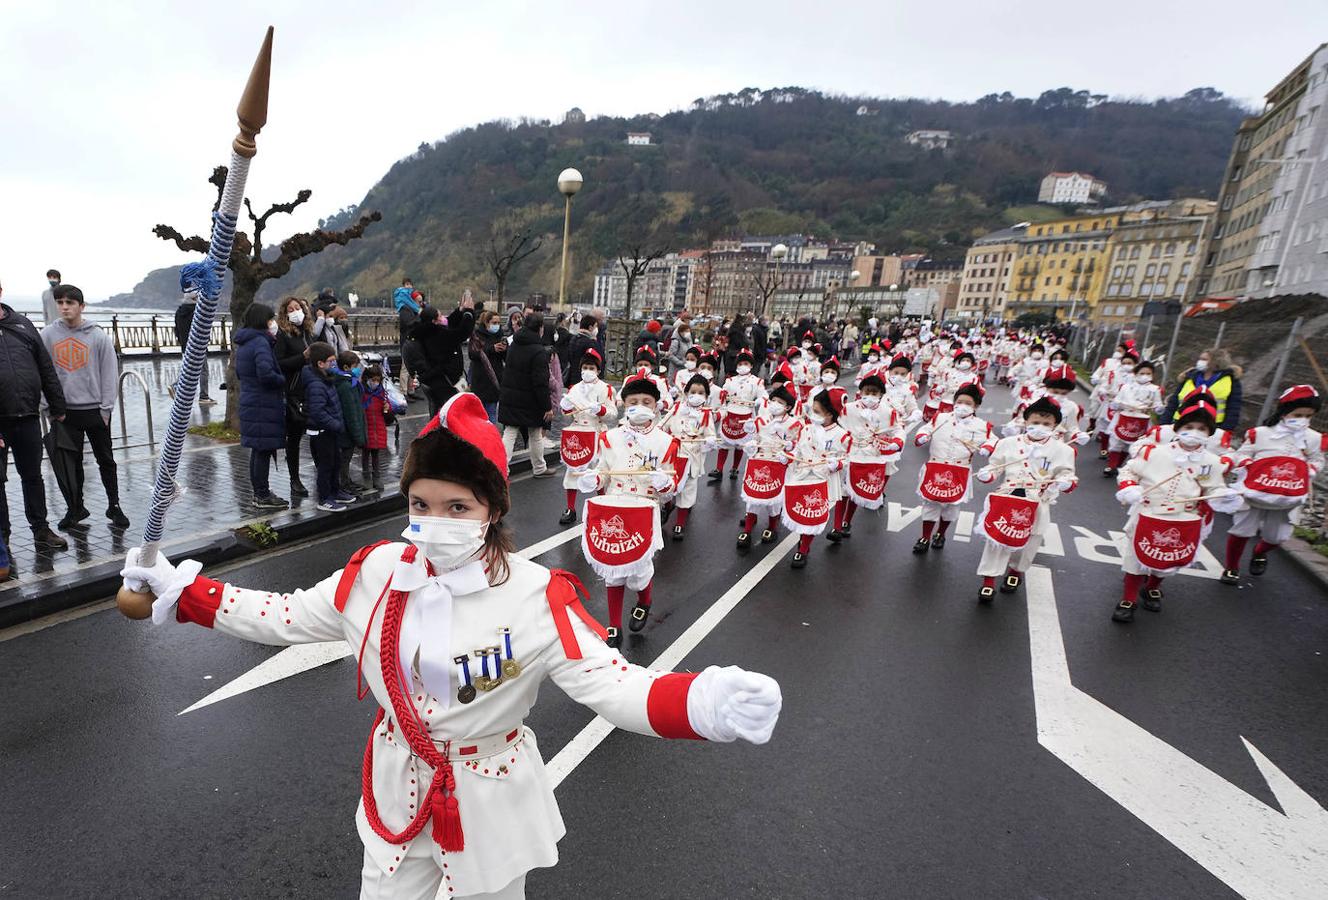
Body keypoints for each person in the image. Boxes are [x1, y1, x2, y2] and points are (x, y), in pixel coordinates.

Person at [119, 390, 781, 900]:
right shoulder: (377, 572)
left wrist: (700, 702)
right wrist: (188, 594)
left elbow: (617, 687)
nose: (435, 523)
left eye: (457, 507)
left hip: (489, 793)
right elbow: (288, 616)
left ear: (492, 509)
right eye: (421, 503)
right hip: (395, 780)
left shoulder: (534, 594)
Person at [577, 377, 682, 646]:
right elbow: (604, 473)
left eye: (646, 402)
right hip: (615, 506)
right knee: (613, 570)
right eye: (633, 402)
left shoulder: (666, 442)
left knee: (639, 569)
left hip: (644, 510)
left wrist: (664, 482)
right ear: (624, 405)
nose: (639, 406)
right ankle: (613, 625)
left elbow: (672, 484)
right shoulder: (609, 439)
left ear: (656, 406)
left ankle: (644, 600)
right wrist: (594, 480)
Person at [1111, 398, 1236, 622]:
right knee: (1135, 557)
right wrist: (1130, 488)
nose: (1194, 432)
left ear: (1209, 433)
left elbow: (1214, 487)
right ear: (1178, 428)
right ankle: (1128, 598)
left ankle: (1152, 586)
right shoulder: (1153, 452)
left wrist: (1225, 496)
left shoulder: (1212, 461)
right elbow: (1129, 472)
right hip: (1149, 511)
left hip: (1185, 517)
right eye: (1189, 427)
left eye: (1201, 429)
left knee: (1168, 558)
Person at [38, 285, 129, 530]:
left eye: (70, 302)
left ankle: (114, 506)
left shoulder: (97, 336)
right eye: (60, 302)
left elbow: (109, 373)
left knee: (106, 460)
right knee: (71, 463)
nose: (64, 307)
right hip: (64, 412)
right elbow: (43, 374)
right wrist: (47, 407)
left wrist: (106, 408)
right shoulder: (47, 335)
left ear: (81, 306)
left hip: (95, 410)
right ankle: (76, 508)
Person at [973, 397, 1077, 602]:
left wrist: (1065, 482)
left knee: (1031, 540)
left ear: (1055, 425)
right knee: (997, 538)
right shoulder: (1007, 443)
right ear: (1026, 421)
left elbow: (1068, 474)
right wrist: (987, 474)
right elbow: (995, 466)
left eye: (1046, 424)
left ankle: (1015, 572)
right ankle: (989, 580)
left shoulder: (1063, 450)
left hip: (1037, 500)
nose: (1040, 427)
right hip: (1008, 495)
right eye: (1035, 422)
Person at [1220, 385, 1326, 585]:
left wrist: (1310, 469)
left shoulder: (1313, 438)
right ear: (1284, 412)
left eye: (1308, 415)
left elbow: (1318, 459)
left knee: (1277, 537)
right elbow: (1242, 453)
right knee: (1241, 530)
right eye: (1298, 414)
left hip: (1289, 495)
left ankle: (1259, 552)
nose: (1302, 419)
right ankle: (1231, 567)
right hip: (1256, 490)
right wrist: (1247, 464)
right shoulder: (1260, 433)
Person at [0, 278, 69, 551]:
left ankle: (41, 529)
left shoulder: (22, 324)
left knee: (33, 476)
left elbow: (45, 366)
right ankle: (2, 537)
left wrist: (57, 405)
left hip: (28, 415)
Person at [912, 383, 993, 554]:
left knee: (951, 508)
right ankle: (925, 537)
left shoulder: (982, 426)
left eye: (968, 403)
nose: (962, 406)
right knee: (930, 505)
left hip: (959, 471)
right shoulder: (940, 418)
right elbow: (924, 430)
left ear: (976, 406)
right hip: (935, 467)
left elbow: (992, 441)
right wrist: (922, 437)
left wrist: (988, 448)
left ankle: (941, 534)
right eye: (960, 401)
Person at [784, 390, 851, 569]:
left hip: (823, 479)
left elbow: (848, 458)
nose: (812, 415)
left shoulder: (841, 435)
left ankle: (804, 549)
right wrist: (788, 456)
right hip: (801, 475)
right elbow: (797, 449)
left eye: (817, 412)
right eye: (812, 410)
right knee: (801, 512)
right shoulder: (806, 428)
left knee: (813, 516)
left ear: (830, 414)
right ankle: (803, 539)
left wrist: (836, 464)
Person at [233, 303, 289, 510]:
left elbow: (241, 373)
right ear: (262, 321)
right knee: (263, 451)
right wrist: (281, 379)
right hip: (262, 403)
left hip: (251, 400)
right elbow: (266, 374)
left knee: (258, 451)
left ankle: (260, 492)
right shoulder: (260, 342)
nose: (273, 323)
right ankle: (262, 495)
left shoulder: (245, 342)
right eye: (270, 319)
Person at [833, 375, 904, 539]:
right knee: (842, 491)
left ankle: (846, 521)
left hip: (871, 457)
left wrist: (897, 442)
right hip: (849, 455)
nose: (870, 396)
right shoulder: (848, 408)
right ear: (861, 391)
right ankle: (836, 527)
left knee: (856, 493)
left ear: (881, 394)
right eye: (867, 391)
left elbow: (897, 430)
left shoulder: (888, 412)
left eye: (874, 392)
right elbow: (837, 426)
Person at [557, 349, 617, 525]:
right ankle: (570, 508)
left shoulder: (606, 389)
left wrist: (600, 409)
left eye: (591, 367)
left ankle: (602, 504)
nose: (587, 371)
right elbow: (567, 412)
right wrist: (566, 406)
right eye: (585, 367)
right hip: (577, 433)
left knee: (597, 471)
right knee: (573, 470)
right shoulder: (574, 388)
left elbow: (612, 413)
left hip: (596, 432)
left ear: (598, 370)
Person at [736, 385, 801, 548]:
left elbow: (799, 446)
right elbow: (755, 439)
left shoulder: (794, 424)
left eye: (779, 402)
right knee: (753, 498)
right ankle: (748, 528)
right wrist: (751, 445)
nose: (774, 404)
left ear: (787, 407)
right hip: (758, 461)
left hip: (778, 463)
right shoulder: (760, 420)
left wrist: (789, 449)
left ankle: (772, 526)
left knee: (774, 500)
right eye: (773, 400)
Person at [498, 312, 555, 478]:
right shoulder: (538, 351)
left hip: (510, 395)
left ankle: (501, 469)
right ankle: (539, 468)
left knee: (509, 433)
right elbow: (540, 383)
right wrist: (547, 406)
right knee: (535, 434)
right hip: (530, 399)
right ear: (540, 328)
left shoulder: (515, 343)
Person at [661, 374, 717, 540]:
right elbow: (662, 425)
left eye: (701, 393)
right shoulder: (677, 408)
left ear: (706, 396)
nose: (696, 396)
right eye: (693, 391)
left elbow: (711, 435)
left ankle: (680, 523)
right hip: (674, 454)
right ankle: (668, 506)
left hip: (692, 456)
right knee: (669, 486)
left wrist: (710, 441)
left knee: (688, 490)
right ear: (686, 392)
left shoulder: (706, 415)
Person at [274, 297, 314, 499]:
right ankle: (294, 478)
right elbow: (279, 363)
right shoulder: (284, 335)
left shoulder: (308, 332)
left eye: (298, 307)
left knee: (317, 433)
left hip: (312, 388)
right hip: (294, 391)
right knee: (294, 438)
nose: (295, 311)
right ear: (285, 313)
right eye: (291, 309)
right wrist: (302, 357)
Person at [303, 341, 350, 512]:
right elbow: (318, 412)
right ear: (320, 364)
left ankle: (335, 491)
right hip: (321, 432)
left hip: (330, 431)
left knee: (335, 463)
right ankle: (324, 498)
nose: (333, 365)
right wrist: (336, 424)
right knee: (325, 466)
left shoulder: (325, 379)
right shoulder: (316, 384)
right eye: (330, 362)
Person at [414, 296, 477, 416]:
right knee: (448, 413)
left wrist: (460, 310)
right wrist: (469, 313)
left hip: (436, 379)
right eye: (440, 316)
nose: (443, 318)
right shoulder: (437, 335)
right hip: (444, 381)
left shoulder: (427, 331)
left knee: (438, 411)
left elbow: (450, 323)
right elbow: (461, 333)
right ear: (434, 321)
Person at [712, 349, 766, 481]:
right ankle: (719, 469)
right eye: (740, 363)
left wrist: (758, 401)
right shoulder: (730, 380)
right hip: (730, 412)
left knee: (740, 444)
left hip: (746, 414)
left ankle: (735, 468)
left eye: (746, 363)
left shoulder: (757, 382)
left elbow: (764, 396)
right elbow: (722, 395)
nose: (743, 366)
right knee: (724, 443)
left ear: (751, 365)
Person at [1163, 348, 1243, 436]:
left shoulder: (1230, 380)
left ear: (1216, 362)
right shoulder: (1189, 377)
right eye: (1200, 359)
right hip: (1181, 422)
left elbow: (1234, 408)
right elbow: (1173, 402)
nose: (1200, 362)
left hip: (1212, 426)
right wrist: (1164, 424)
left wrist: (1226, 431)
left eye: (1204, 359)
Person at [1104, 358, 1164, 476]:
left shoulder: (1155, 389)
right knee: (1116, 441)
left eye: (1148, 373)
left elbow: (1158, 405)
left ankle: (1119, 465)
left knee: (1133, 444)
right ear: (1136, 374)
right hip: (1124, 417)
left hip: (1142, 420)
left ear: (1152, 375)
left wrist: (1159, 408)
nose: (1145, 376)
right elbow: (1117, 401)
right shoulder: (1126, 387)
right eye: (1142, 373)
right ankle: (1111, 466)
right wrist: (1116, 404)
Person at [334, 350, 369, 494]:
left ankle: (347, 480)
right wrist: (359, 436)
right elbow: (351, 413)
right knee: (345, 458)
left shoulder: (350, 382)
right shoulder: (346, 386)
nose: (358, 369)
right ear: (347, 367)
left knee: (346, 458)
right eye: (355, 366)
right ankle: (344, 483)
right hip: (347, 432)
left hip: (347, 431)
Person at [173, 293, 215, 406]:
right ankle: (204, 396)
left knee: (188, 369)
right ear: (195, 299)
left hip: (185, 345)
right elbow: (202, 329)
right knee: (203, 371)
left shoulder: (179, 311)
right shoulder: (197, 312)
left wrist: (181, 341)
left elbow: (176, 329)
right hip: (198, 346)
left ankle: (176, 386)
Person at [468, 310, 507, 426]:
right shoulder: (477, 335)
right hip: (480, 379)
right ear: (486, 322)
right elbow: (473, 354)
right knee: (478, 415)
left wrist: (504, 350)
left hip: (494, 380)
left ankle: (490, 440)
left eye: (498, 323)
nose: (497, 325)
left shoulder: (500, 336)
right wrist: (491, 349)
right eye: (494, 322)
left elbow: (506, 358)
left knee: (491, 414)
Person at [359, 365, 392, 493]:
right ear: (367, 379)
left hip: (378, 426)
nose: (375, 382)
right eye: (373, 379)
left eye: (378, 380)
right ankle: (366, 475)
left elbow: (388, 414)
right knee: (366, 452)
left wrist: (387, 408)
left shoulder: (381, 393)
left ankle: (376, 476)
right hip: (366, 426)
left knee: (376, 453)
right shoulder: (361, 391)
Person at [393, 278, 422, 399]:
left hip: (413, 340)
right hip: (407, 340)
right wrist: (418, 320)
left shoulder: (411, 308)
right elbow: (408, 323)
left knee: (412, 367)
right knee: (406, 367)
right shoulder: (406, 309)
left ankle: (410, 390)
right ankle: (404, 391)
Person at [563, 314, 600, 389]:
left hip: (572, 378)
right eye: (595, 326)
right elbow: (596, 360)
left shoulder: (574, 339)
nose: (596, 329)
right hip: (584, 380)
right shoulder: (589, 343)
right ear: (590, 327)